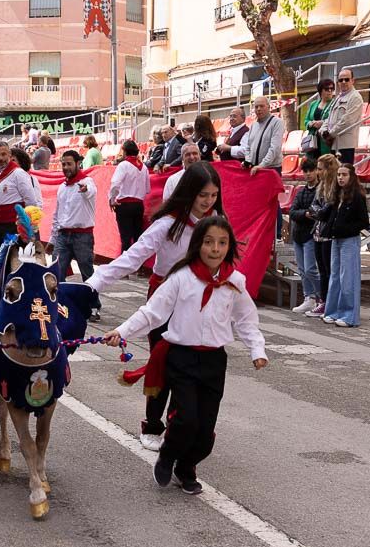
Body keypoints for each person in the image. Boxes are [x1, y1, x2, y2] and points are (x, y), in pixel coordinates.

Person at [104, 215, 267, 494]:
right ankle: (168, 455)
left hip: (214, 361)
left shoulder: (235, 282)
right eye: (208, 242)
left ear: (229, 247)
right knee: (185, 419)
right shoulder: (182, 277)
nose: (215, 249)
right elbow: (152, 312)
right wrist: (123, 331)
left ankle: (186, 466)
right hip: (181, 357)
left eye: (222, 243)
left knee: (205, 431)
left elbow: (246, 320)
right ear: (197, 245)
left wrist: (257, 349)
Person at [89, 163, 223, 451]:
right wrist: (94, 283)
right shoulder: (167, 225)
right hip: (164, 298)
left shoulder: (216, 222)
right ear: (189, 192)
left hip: (198, 302)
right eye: (203, 195)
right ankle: (152, 424)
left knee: (190, 366)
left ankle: (179, 424)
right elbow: (133, 258)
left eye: (213, 195)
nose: (208, 201)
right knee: (165, 362)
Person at [52, 150, 102, 321]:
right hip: (63, 235)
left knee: (87, 272)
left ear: (78, 163)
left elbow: (91, 191)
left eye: (69, 164)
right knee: (56, 272)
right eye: (63, 164)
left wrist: (85, 189)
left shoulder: (87, 181)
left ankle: (94, 306)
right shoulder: (61, 187)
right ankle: (61, 305)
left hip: (82, 236)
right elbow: (57, 214)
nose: (66, 167)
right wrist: (53, 238)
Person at [321, 163, 369, 328]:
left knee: (348, 278)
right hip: (336, 239)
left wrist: (346, 229)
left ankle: (349, 315)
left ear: (352, 177)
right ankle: (332, 311)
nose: (340, 177)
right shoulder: (337, 195)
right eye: (339, 174)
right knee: (335, 276)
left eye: (344, 175)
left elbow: (364, 222)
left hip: (349, 240)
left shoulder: (357, 197)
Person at [304, 153, 340, 319]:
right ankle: (323, 300)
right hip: (318, 232)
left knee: (328, 270)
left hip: (328, 234)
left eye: (319, 169)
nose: (317, 172)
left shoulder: (335, 188)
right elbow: (314, 208)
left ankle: (328, 302)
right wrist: (317, 212)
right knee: (322, 269)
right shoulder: (321, 186)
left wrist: (317, 212)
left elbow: (325, 211)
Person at [0, 141, 38, 256]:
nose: (1, 158)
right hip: (0, 223)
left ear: (9, 154)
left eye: (3, 154)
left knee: (15, 259)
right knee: (2, 260)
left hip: (15, 225)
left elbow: (31, 201)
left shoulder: (18, 173)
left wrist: (26, 227)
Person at [288, 158, 321, 314]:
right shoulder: (301, 192)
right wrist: (305, 213)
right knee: (302, 269)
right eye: (305, 171)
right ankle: (309, 297)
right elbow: (292, 211)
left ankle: (321, 296)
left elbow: (315, 212)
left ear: (316, 171)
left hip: (310, 235)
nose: (308, 174)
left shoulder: (319, 191)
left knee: (310, 269)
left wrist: (304, 214)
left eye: (311, 170)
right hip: (298, 235)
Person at [108, 140, 150, 252]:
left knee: (125, 239)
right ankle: (137, 266)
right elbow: (147, 189)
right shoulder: (144, 167)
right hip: (138, 205)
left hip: (124, 204)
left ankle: (124, 267)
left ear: (125, 152)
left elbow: (115, 183)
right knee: (137, 238)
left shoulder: (123, 165)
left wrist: (112, 199)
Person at [322, 68, 364, 165]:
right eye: (341, 80)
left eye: (347, 79)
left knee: (344, 175)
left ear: (353, 80)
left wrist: (330, 134)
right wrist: (323, 131)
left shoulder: (355, 97)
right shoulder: (338, 97)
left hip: (345, 145)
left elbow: (347, 121)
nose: (343, 82)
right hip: (334, 144)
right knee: (334, 175)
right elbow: (329, 118)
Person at [240, 95, 284, 175]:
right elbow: (248, 147)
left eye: (262, 106)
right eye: (256, 107)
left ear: (269, 107)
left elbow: (275, 148)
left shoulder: (277, 122)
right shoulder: (253, 125)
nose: (259, 109)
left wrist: (262, 165)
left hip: (271, 169)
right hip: (254, 169)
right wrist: (248, 161)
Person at [302, 79, 336, 161]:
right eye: (327, 89)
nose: (330, 91)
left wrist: (323, 123)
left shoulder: (334, 104)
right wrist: (311, 124)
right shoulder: (313, 104)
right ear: (320, 91)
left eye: (332, 89)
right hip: (312, 140)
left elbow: (335, 120)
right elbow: (306, 120)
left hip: (325, 140)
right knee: (311, 165)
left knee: (324, 165)